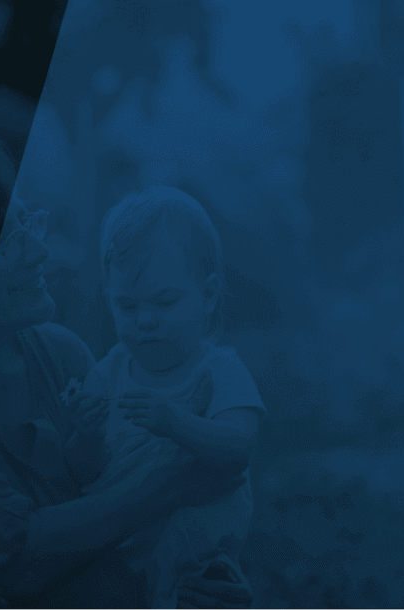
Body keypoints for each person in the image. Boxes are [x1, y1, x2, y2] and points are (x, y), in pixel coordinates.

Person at [0, 135, 242, 608]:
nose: (40, 252)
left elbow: (123, 526)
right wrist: (167, 481)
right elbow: (13, 557)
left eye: (29, 223)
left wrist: (193, 575)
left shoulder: (61, 354)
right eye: (8, 241)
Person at [75, 186, 263, 610]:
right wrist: (83, 434)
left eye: (165, 301)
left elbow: (239, 448)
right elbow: (85, 473)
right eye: (126, 305)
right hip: (122, 548)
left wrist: (174, 421)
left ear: (208, 295)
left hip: (198, 555)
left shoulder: (218, 370)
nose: (144, 321)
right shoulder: (108, 373)